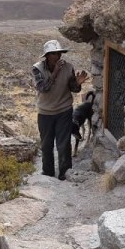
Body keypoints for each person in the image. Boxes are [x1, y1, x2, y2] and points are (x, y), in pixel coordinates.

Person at [32, 40, 88, 180]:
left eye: (59, 53)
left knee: (63, 144)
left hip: (64, 110)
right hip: (45, 112)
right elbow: (43, 88)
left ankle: (65, 173)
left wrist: (77, 83)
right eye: (53, 54)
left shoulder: (68, 67)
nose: (57, 57)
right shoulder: (37, 69)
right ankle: (48, 172)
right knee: (46, 144)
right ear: (47, 56)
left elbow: (73, 88)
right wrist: (55, 72)